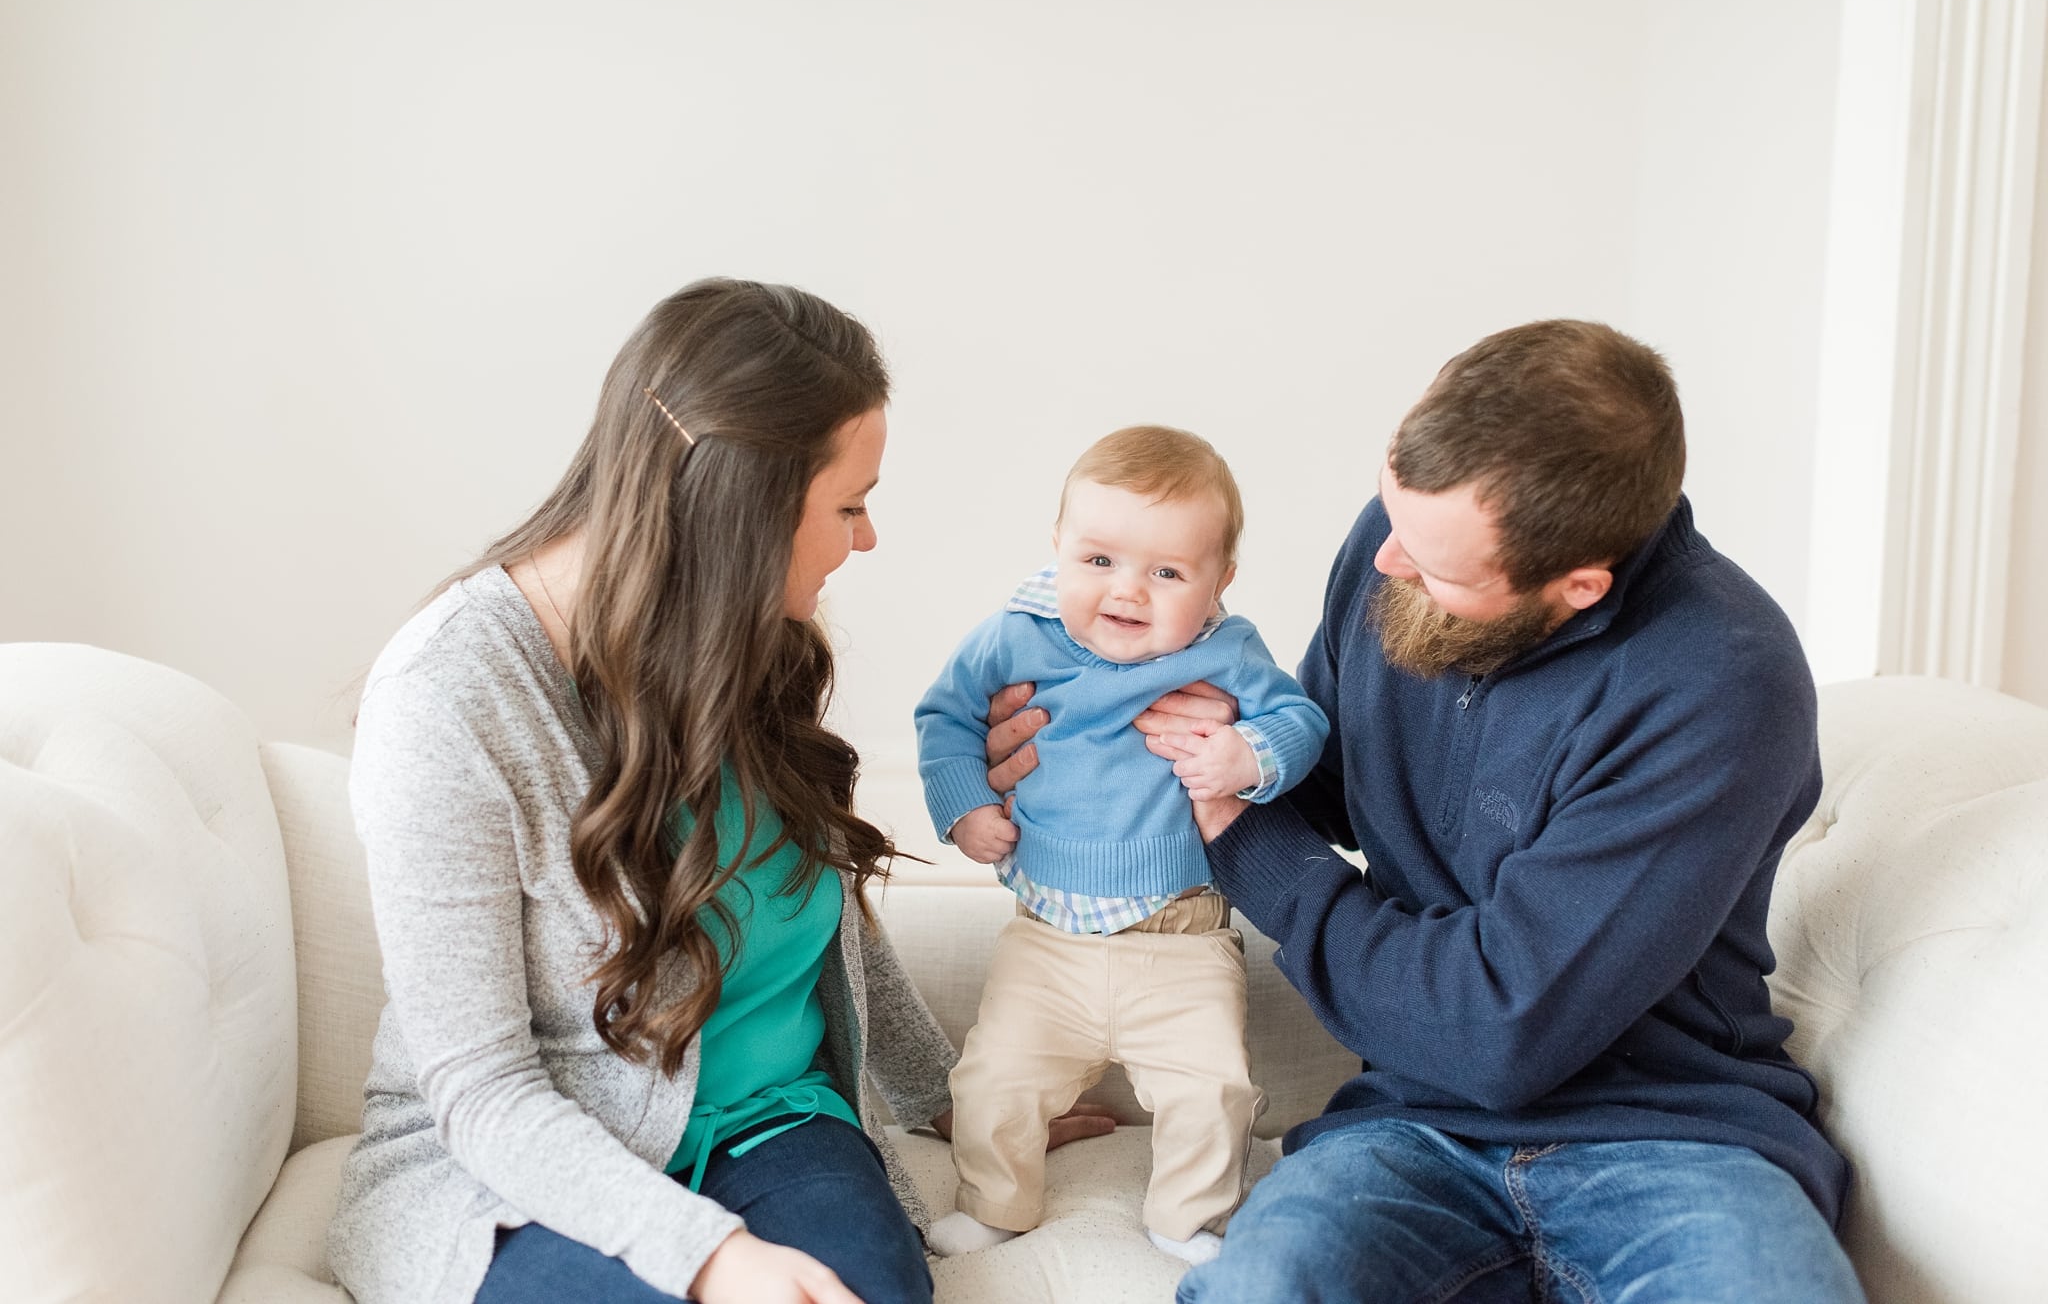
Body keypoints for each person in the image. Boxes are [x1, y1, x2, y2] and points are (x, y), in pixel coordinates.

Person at [984, 320, 1866, 1302]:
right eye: (1390, 511)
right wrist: (1124, 741)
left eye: (1437, 564)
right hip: (1407, 1129)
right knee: (1264, 1285)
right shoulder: (1397, 544)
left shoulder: (1719, 677)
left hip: (1671, 1138)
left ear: (1576, 586)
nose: (1388, 559)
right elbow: (1322, 774)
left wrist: (1239, 828)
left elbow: (1492, 1029)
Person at [327, 278, 1111, 1304]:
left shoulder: (745, 644)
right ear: (742, 509)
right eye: (847, 504)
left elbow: (827, 923)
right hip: (512, 1169)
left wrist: (954, 1098)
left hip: (776, 1122)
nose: (864, 538)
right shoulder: (449, 694)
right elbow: (480, 1090)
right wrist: (704, 1255)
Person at [914, 426, 1329, 1266]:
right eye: (1099, 560)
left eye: (1167, 572)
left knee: (1212, 1091)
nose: (1128, 591)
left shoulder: (1227, 647)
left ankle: (1186, 1216)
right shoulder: (1013, 635)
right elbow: (944, 718)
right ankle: (997, 1200)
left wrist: (1248, 754)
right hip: (1047, 942)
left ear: (1219, 581)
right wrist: (965, 809)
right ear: (1058, 546)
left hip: (1181, 941)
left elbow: (1303, 720)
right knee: (994, 1081)